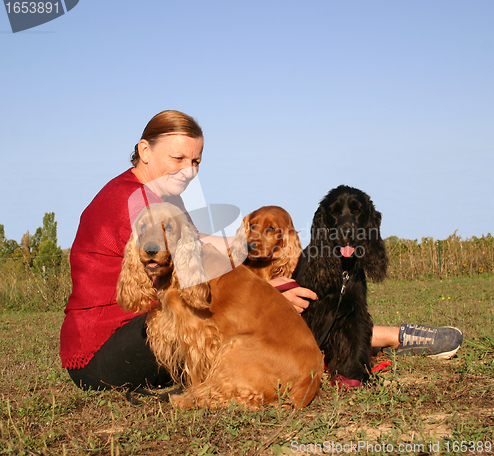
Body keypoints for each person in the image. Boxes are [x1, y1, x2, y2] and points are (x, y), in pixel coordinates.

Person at [60, 110, 462, 391]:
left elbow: (210, 246)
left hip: (130, 333)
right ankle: (382, 338)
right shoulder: (134, 200)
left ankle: (360, 338)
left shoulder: (157, 195)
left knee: (254, 301)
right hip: (105, 350)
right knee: (233, 309)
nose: (188, 170)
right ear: (144, 151)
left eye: (196, 160)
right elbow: (200, 261)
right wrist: (268, 294)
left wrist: (274, 273)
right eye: (177, 158)